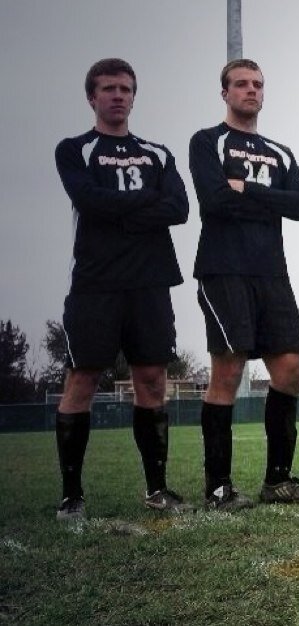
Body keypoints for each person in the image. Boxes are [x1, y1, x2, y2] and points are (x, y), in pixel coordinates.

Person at [51, 58, 192, 520]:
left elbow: (179, 208)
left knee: (151, 380)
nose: (118, 95)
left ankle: (157, 488)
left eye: (125, 89)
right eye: (108, 88)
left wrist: (122, 212)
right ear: (92, 97)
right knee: (83, 379)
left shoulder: (159, 153)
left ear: (134, 96)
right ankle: (72, 496)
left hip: (150, 283)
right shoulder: (75, 149)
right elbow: (88, 199)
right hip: (95, 283)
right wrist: (145, 204)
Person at [189, 58, 299, 511]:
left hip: (272, 273)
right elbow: (214, 199)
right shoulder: (207, 142)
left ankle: (278, 480)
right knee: (227, 370)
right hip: (224, 270)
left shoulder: (279, 152)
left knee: (291, 370)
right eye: (241, 84)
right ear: (224, 92)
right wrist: (255, 198)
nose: (251, 90)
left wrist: (248, 189)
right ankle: (218, 487)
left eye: (258, 84)